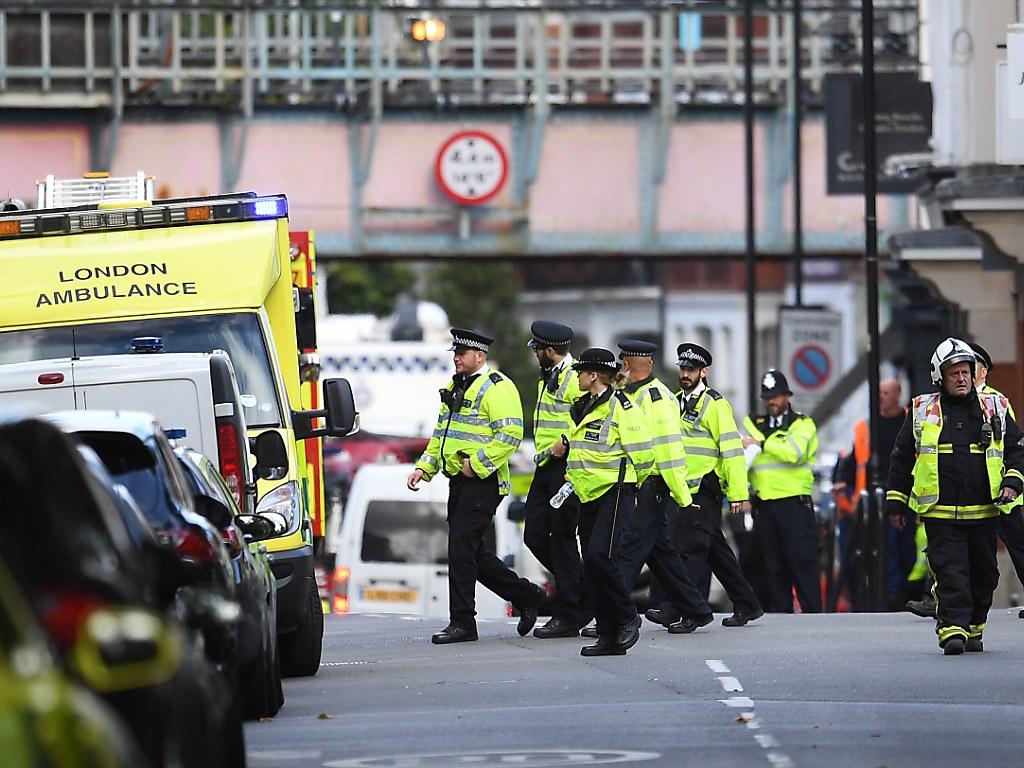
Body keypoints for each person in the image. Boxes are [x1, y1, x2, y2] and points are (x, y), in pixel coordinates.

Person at [886, 338, 1024, 654]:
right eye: (954, 374)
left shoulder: (995, 407)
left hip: (985, 512)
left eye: (965, 372)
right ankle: (951, 629)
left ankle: (974, 627)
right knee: (950, 572)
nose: (961, 378)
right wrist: (896, 501)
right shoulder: (922, 410)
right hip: (940, 513)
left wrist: (1013, 483)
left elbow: (1018, 448)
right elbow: (902, 456)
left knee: (985, 575)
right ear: (940, 377)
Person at [408, 328, 543, 645]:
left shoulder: (498, 387)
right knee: (471, 552)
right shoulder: (453, 387)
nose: (456, 357)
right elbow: (442, 435)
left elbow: (510, 436)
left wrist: (477, 465)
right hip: (459, 481)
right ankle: (527, 594)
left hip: (483, 481)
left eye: (462, 353)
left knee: (460, 548)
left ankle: (463, 623)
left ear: (479, 356)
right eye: (455, 352)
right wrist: (423, 468)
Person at [648, 342, 763, 628]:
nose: (685, 374)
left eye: (691, 370)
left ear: (704, 371)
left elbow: (731, 450)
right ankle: (747, 604)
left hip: (705, 487)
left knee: (691, 549)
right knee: (714, 550)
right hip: (683, 488)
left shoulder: (715, 404)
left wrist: (737, 493)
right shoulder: (675, 402)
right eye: (683, 369)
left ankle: (689, 611)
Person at [611, 340, 715, 637]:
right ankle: (696, 609)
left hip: (652, 486)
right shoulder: (633, 395)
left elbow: (669, 450)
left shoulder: (655, 399)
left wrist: (682, 495)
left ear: (630, 366)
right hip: (642, 487)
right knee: (663, 555)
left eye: (623, 363)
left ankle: (614, 617)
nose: (620, 369)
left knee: (626, 553)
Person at [565, 348, 654, 656]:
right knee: (591, 565)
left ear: (592, 376)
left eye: (580, 372)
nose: (576, 377)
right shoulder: (583, 406)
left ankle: (628, 617)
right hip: (587, 493)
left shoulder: (620, 407)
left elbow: (644, 453)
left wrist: (633, 483)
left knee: (602, 557)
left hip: (616, 492)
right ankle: (607, 634)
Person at [522, 321, 587, 638]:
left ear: (549, 351)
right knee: (533, 534)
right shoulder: (547, 377)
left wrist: (569, 441)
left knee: (562, 538)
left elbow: (593, 417)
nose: (535, 355)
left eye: (538, 350)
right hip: (544, 466)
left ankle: (569, 614)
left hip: (567, 468)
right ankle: (580, 586)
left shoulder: (576, 379)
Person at [742, 369, 823, 613]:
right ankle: (780, 621)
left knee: (802, 564)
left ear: (787, 396)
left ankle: (815, 619)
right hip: (765, 506)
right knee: (773, 568)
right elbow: (745, 455)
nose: (771, 402)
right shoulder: (753, 423)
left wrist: (764, 444)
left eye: (776, 396)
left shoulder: (802, 423)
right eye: (767, 397)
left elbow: (794, 453)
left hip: (795, 506)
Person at [831, 379, 909, 610]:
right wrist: (843, 481)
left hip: (904, 493)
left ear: (897, 395)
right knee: (877, 549)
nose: (881, 397)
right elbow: (856, 458)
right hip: (872, 500)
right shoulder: (867, 426)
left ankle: (898, 591)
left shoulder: (909, 422)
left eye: (885, 393)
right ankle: (885, 593)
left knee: (901, 547)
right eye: (879, 393)